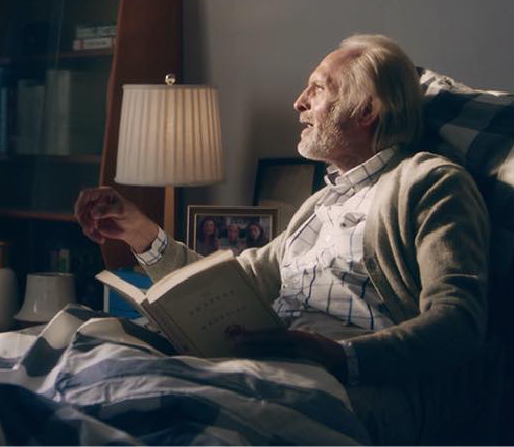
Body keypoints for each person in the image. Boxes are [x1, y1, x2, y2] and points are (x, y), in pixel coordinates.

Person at [76, 34, 492, 445]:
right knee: (92, 343)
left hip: (348, 384)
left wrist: (336, 355)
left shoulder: (430, 183)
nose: (298, 102)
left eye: (318, 89)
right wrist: (138, 231)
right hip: (270, 366)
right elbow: (225, 284)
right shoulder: (320, 204)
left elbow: (459, 321)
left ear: (365, 110)